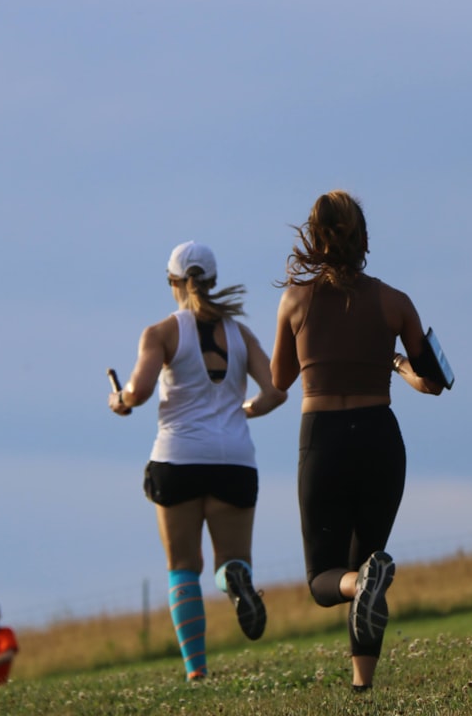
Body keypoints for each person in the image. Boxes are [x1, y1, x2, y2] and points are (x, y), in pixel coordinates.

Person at [270, 190, 444, 692]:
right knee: (370, 559)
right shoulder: (395, 303)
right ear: (364, 239)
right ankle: (361, 684)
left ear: (314, 239)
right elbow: (431, 383)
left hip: (322, 441)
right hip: (379, 440)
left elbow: (281, 380)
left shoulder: (295, 301)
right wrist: (394, 362)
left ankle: (358, 590)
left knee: (328, 579)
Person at [108, 241, 287, 681]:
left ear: (173, 283)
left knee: (183, 569)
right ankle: (235, 582)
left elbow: (141, 390)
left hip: (178, 458)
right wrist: (246, 409)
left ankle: (196, 672)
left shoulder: (162, 333)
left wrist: (121, 399)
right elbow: (277, 390)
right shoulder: (242, 335)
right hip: (234, 460)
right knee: (232, 560)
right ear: (213, 281)